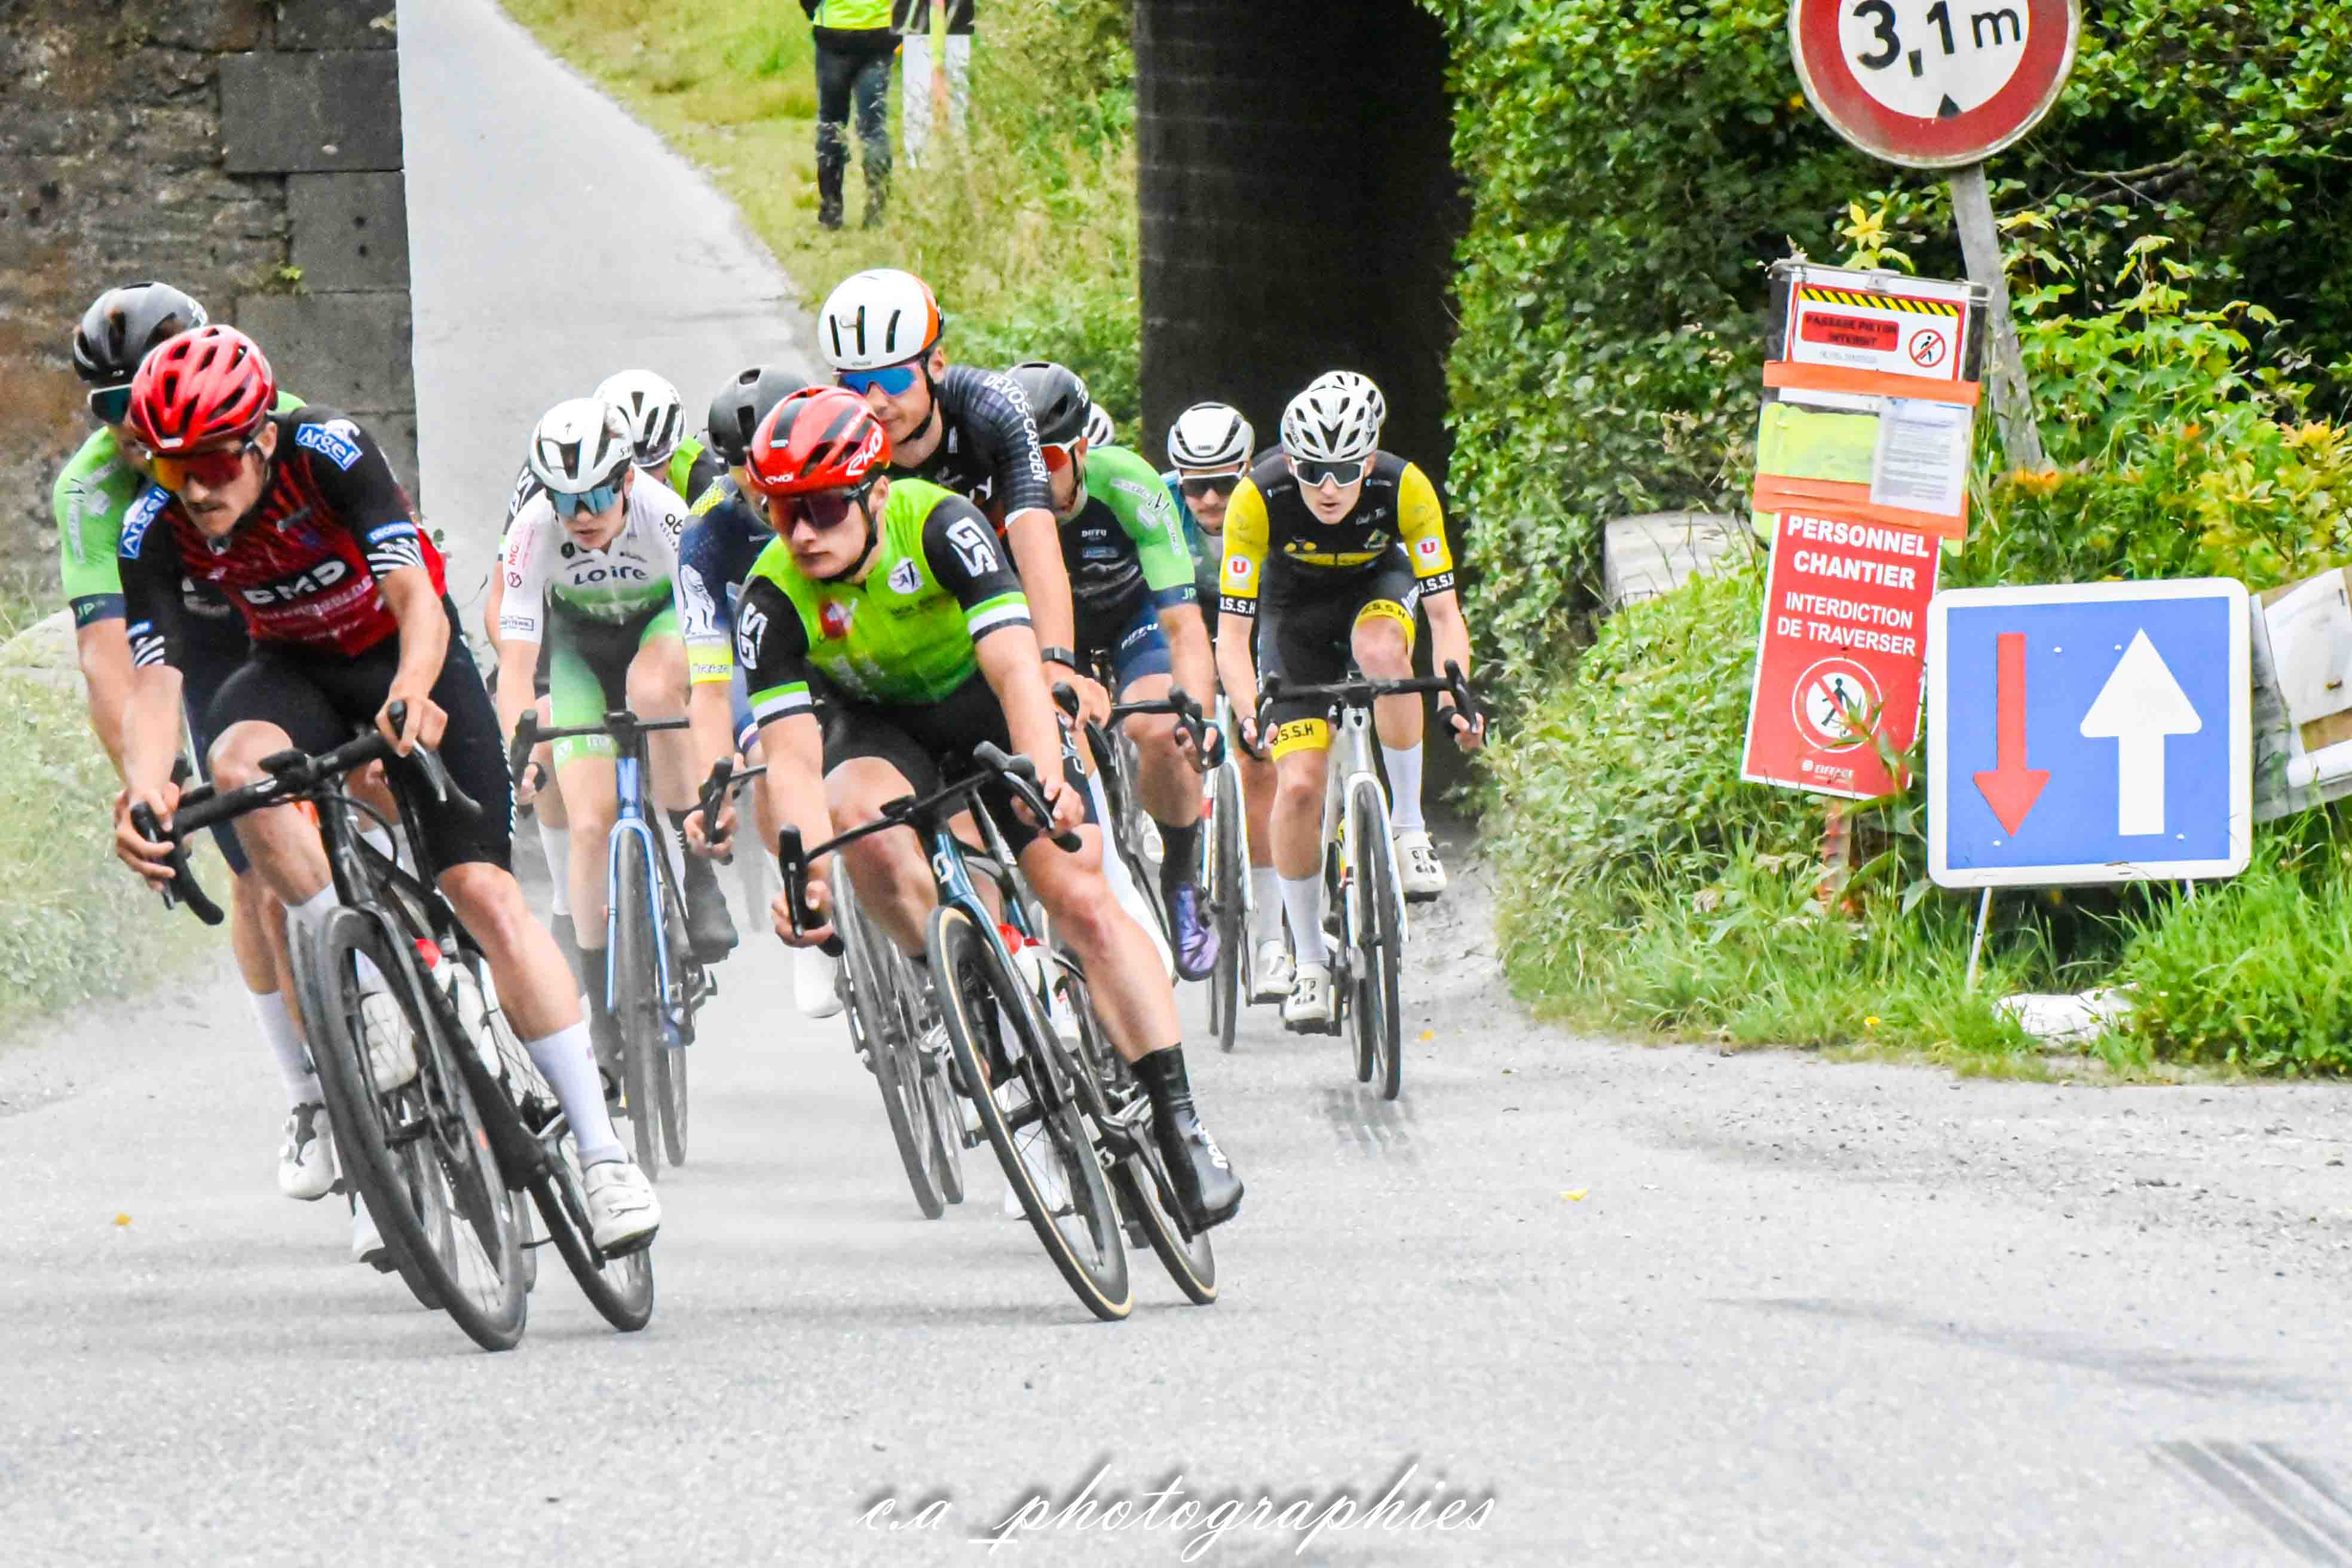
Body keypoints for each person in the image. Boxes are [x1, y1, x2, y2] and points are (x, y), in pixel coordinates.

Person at [108, 325, 660, 1253]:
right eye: (172, 468)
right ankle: (361, 985)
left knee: (482, 893)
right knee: (236, 768)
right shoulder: (153, 529)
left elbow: (415, 599)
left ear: (262, 441)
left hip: (405, 656)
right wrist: (143, 792)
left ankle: (603, 1156)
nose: (196, 490)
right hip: (293, 671)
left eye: (213, 462)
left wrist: (410, 692)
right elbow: (156, 682)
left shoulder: (328, 452)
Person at [690, 387, 1242, 1229]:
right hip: (876, 727)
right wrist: (806, 875)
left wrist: (1047, 777)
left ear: (876, 492)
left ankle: (1180, 1123)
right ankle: (953, 977)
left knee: (1082, 898)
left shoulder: (942, 524)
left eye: (824, 507)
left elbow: (1017, 668)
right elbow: (794, 761)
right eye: (782, 510)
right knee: (858, 824)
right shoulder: (772, 598)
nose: (801, 533)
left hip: (983, 702)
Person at [56, 283, 356, 1205]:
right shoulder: (92, 490)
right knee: (256, 872)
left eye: (138, 394)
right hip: (204, 644)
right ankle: (312, 1096)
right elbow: (110, 661)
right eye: (109, 408)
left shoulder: (269, 416)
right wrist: (153, 785)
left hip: (313, 616)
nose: (130, 427)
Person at [1215, 371, 1484, 1030]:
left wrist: (1456, 693)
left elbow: (1445, 614)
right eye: (1312, 471)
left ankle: (1409, 829)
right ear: (1290, 462)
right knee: (1299, 786)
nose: (1329, 488)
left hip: (1375, 590)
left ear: (1369, 461)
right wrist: (1249, 713)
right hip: (1293, 616)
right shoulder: (1256, 498)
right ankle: (1309, 959)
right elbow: (1233, 638)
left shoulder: (1404, 486)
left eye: (1344, 470)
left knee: (1383, 653)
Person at [494, 396, 737, 1086]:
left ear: (628, 479)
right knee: (590, 823)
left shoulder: (666, 513)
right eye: (566, 500)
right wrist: (520, 747)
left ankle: (695, 869)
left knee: (652, 690)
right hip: (580, 650)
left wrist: (715, 743)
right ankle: (601, 1010)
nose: (583, 514)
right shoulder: (532, 530)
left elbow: (705, 635)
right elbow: (517, 662)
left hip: (661, 630)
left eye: (599, 494)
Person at [1008, 361, 1219, 981]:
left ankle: (1180, 875)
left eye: (1046, 461)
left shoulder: (1128, 485)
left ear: (1080, 451)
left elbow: (1184, 626)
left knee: (1161, 729)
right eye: (1016, 463)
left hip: (1132, 617)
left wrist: (1199, 718)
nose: (1030, 479)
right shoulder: (992, 505)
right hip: (1048, 634)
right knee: (1055, 734)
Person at [676, 365, 847, 1021]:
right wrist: (713, 787)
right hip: (763, 652)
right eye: (739, 470)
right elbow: (709, 686)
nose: (756, 484)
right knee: (767, 759)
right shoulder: (707, 526)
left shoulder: (845, 485)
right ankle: (802, 895)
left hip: (842, 635)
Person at [1163, 399, 1289, 1002]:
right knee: (1183, 731)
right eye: (1196, 486)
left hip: (1257, 619)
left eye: (1222, 484)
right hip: (1194, 618)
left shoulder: (1271, 499)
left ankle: (1272, 936)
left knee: (1258, 755)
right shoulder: (1161, 506)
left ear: (1246, 471)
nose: (1210, 500)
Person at [801, 0, 896, 229]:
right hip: (879, 33)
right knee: (874, 127)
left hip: (833, 34)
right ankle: (877, 211)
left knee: (831, 123)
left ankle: (831, 209)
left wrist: (813, 12)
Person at [595, 368, 727, 507]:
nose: (639, 484)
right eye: (621, 472)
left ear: (670, 458)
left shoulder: (697, 470)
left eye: (649, 471)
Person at [895, 0, 973, 166]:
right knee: (949, 122)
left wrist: (937, 65)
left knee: (923, 125)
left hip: (934, 32)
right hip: (937, 31)